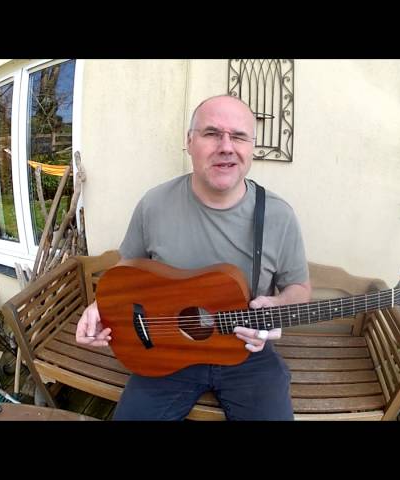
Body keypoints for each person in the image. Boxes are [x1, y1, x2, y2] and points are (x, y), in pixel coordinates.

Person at [76, 94, 311, 420]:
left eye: (239, 136)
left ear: (251, 148)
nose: (227, 146)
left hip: (247, 353)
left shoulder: (278, 216)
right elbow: (124, 270)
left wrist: (277, 307)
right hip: (163, 350)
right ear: (189, 142)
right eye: (212, 133)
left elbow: (299, 287)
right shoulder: (154, 204)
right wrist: (99, 306)